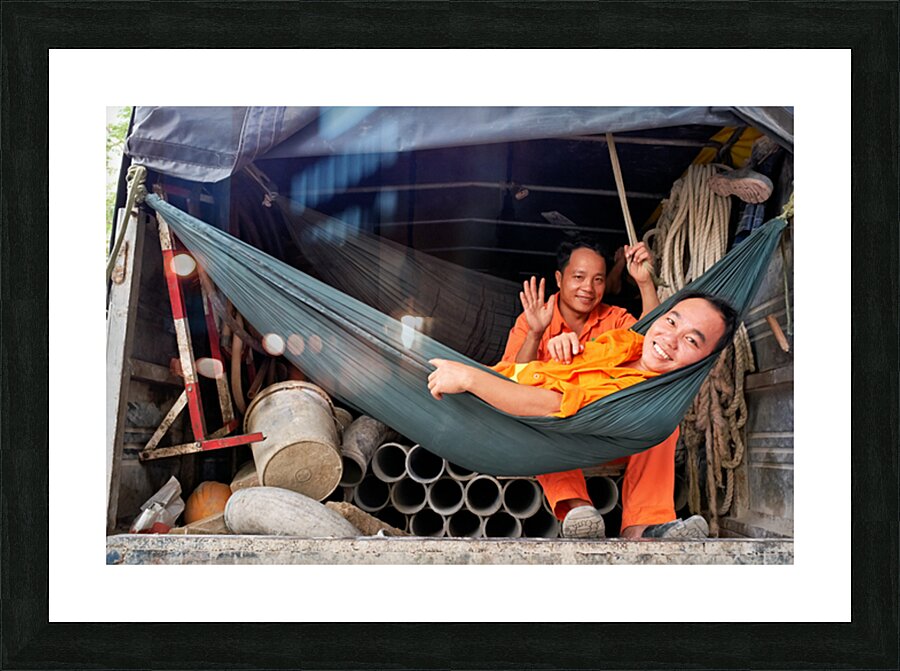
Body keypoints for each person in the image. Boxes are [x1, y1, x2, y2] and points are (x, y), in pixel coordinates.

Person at [428, 292, 739, 540]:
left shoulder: (635, 397)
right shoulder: (626, 342)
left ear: (704, 362)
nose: (670, 339)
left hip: (513, 408)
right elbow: (556, 375)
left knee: (657, 425)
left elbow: (547, 405)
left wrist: (470, 379)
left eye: (691, 340)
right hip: (492, 392)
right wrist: (559, 348)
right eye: (671, 322)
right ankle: (604, 514)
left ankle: (636, 524)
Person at [500, 235, 682, 540]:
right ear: (559, 278)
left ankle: (642, 525)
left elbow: (654, 342)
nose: (588, 288)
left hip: (609, 436)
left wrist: (645, 284)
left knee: (662, 422)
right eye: (579, 277)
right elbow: (508, 381)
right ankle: (578, 511)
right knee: (536, 419)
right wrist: (534, 334)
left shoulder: (616, 319)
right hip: (556, 440)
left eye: (598, 279)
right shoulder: (533, 319)